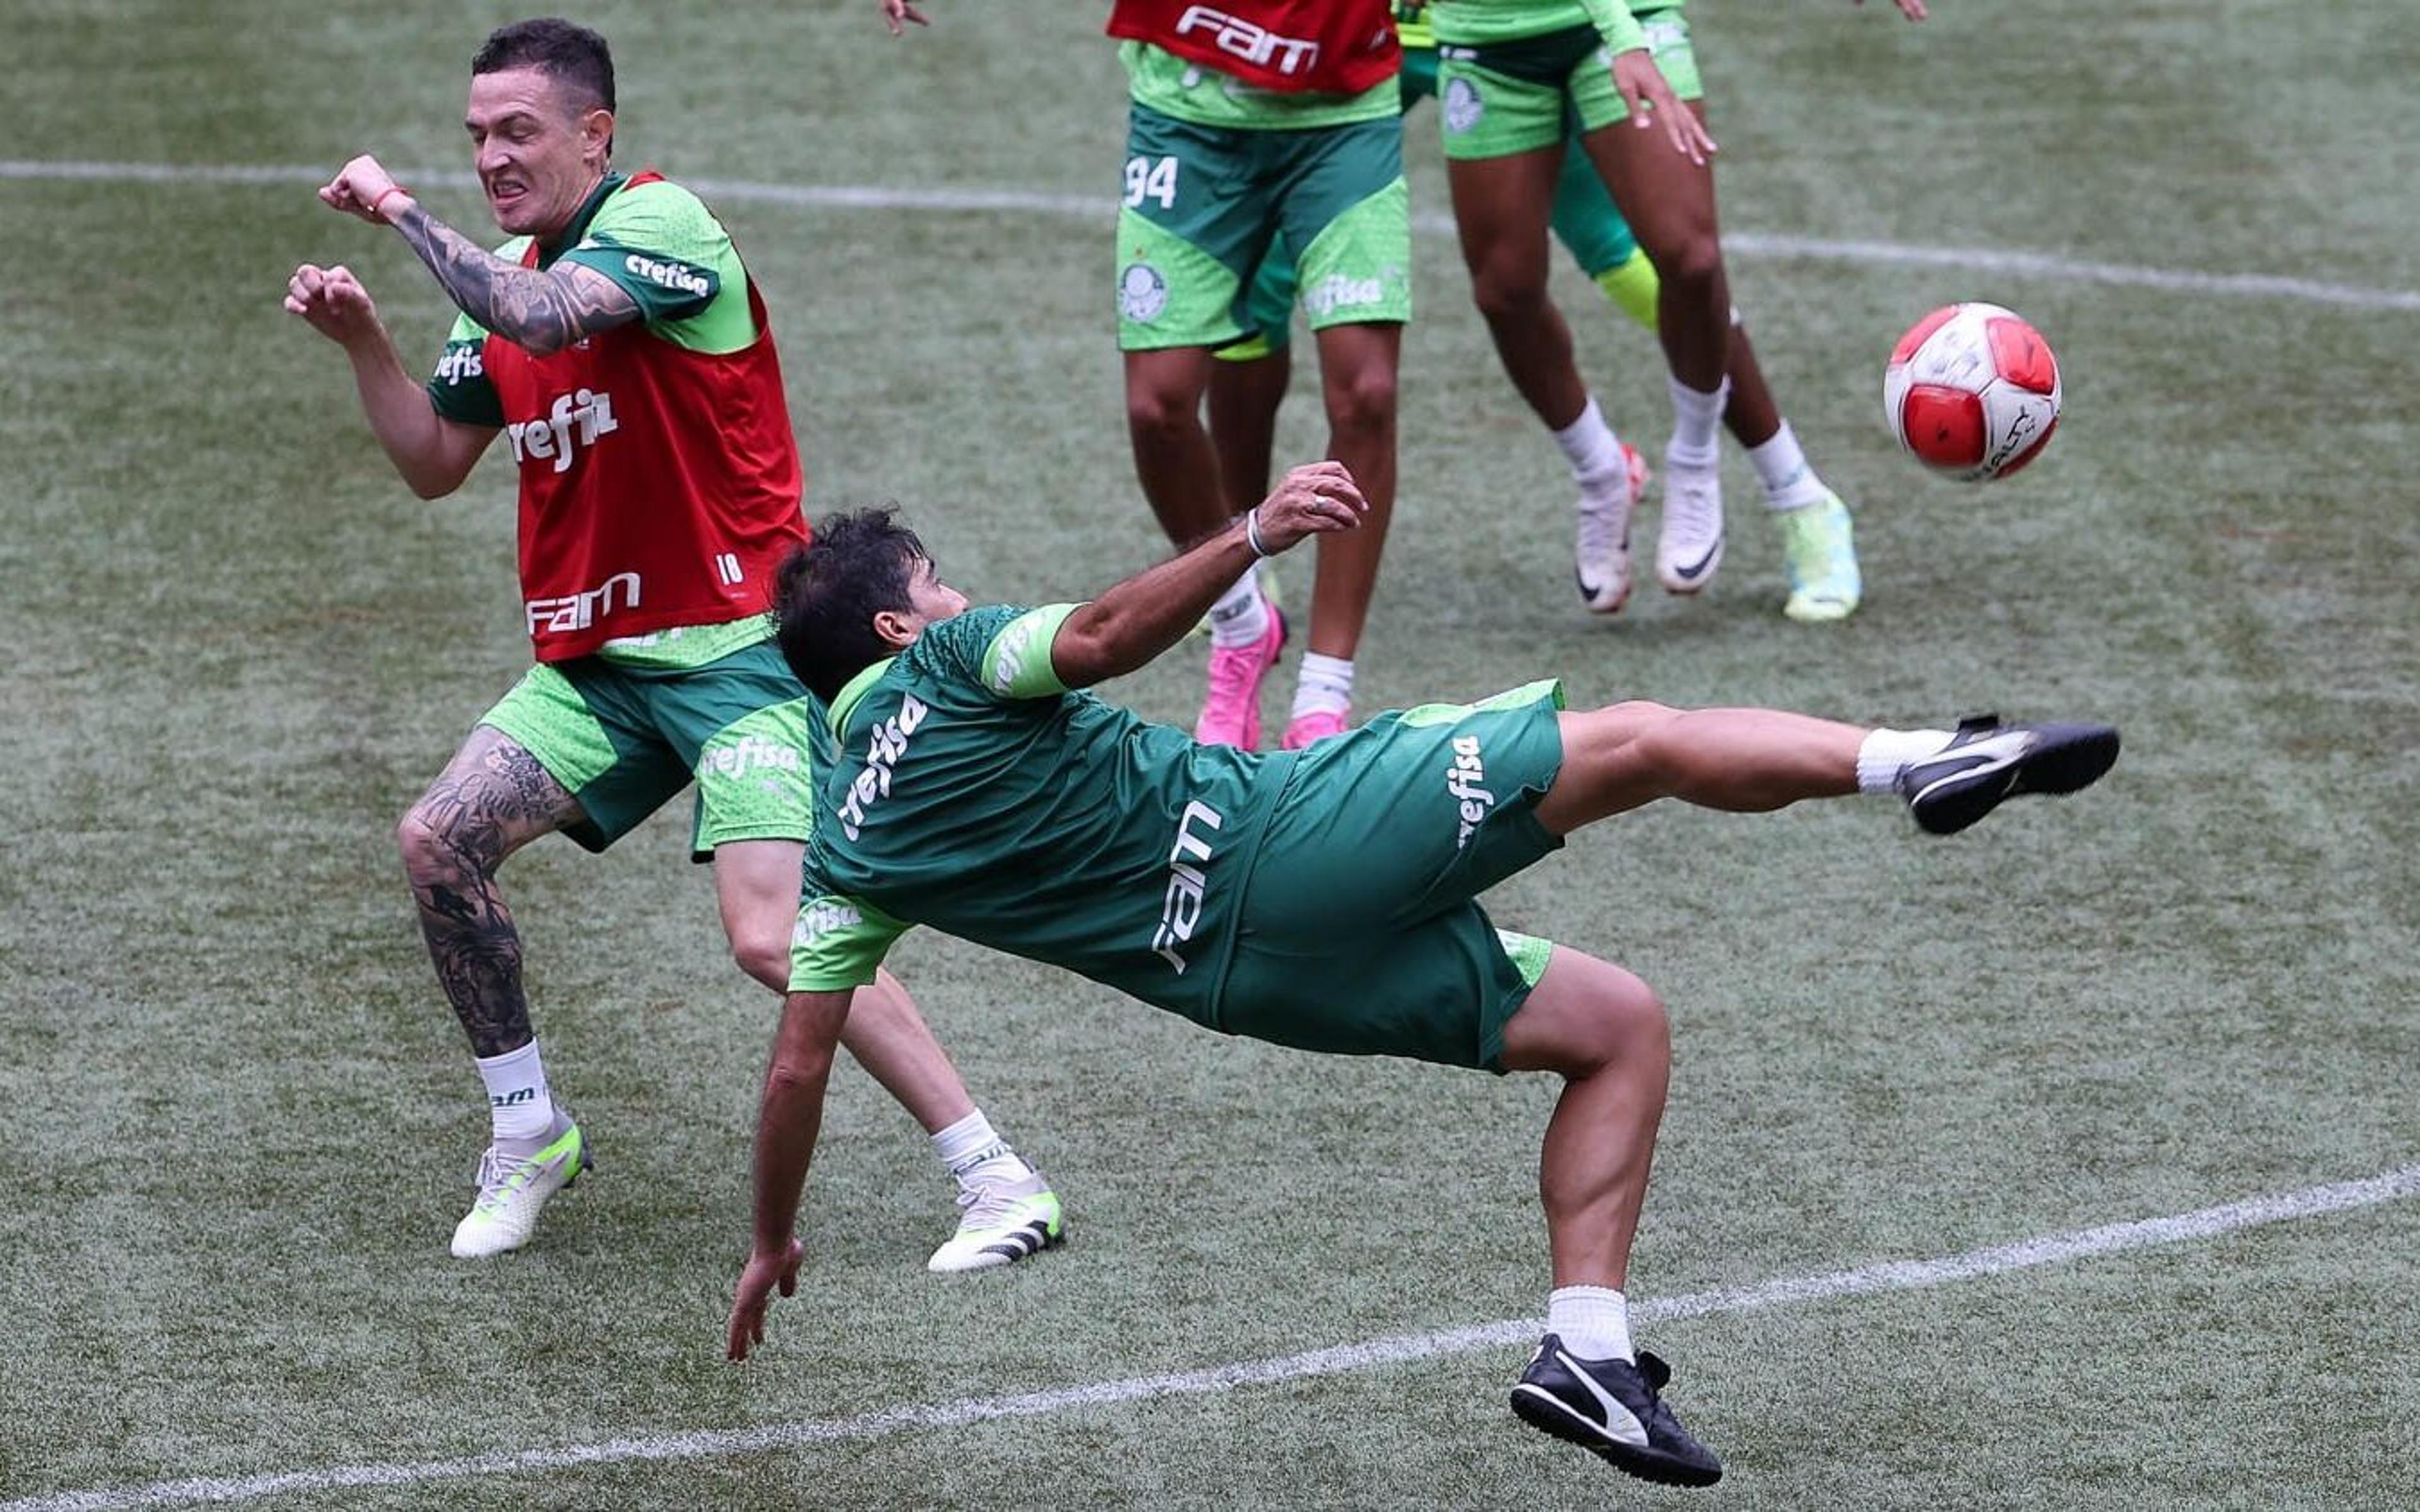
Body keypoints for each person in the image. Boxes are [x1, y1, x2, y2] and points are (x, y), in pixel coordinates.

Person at [723, 460, 2119, 1486]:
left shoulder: (847, 845)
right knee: (1636, 739)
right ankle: (1917, 759)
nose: (957, 595)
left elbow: (798, 1062)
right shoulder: (955, 665)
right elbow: (1095, 639)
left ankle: (1589, 1352)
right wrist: (1251, 531)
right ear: (901, 630)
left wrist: (774, 1236)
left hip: (1254, 986)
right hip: (1289, 841)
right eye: (935, 586)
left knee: (1616, 1027)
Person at [282, 16, 1061, 1270]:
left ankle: (998, 1176)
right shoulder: (500, 283)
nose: (493, 153)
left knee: (771, 934)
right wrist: (366, 343)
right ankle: (527, 1126)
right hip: (602, 666)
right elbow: (434, 460)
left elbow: (541, 317)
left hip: (743, 651)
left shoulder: (660, 228)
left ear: (596, 134)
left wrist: (401, 213)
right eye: (476, 134)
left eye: (518, 130)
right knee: (439, 840)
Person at [882, 0, 1683, 750]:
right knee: (1157, 407)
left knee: (1366, 392)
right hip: (1187, 116)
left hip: (1344, 122)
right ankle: (1240, 624)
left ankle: (1323, 699)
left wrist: (1623, 32)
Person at [1211, 3, 1840, 622]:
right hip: (1365, 28)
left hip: (1516, 26)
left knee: (1650, 261)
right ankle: (1236, 558)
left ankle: (1795, 491)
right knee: (1260, 265)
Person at [1427, 0, 1927, 622]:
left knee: (1687, 257)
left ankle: (1701, 462)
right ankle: (1601, 472)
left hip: (1625, 22)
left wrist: (1620, 34)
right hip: (1480, 38)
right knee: (1504, 289)